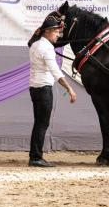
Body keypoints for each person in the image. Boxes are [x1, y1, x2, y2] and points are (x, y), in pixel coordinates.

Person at [27, 16, 77, 168]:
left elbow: (30, 42)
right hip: (43, 89)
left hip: (35, 88)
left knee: (39, 123)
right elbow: (56, 71)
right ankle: (36, 157)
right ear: (47, 31)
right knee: (42, 124)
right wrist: (69, 89)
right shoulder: (46, 48)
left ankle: (34, 155)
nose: (58, 35)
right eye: (55, 31)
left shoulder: (35, 45)